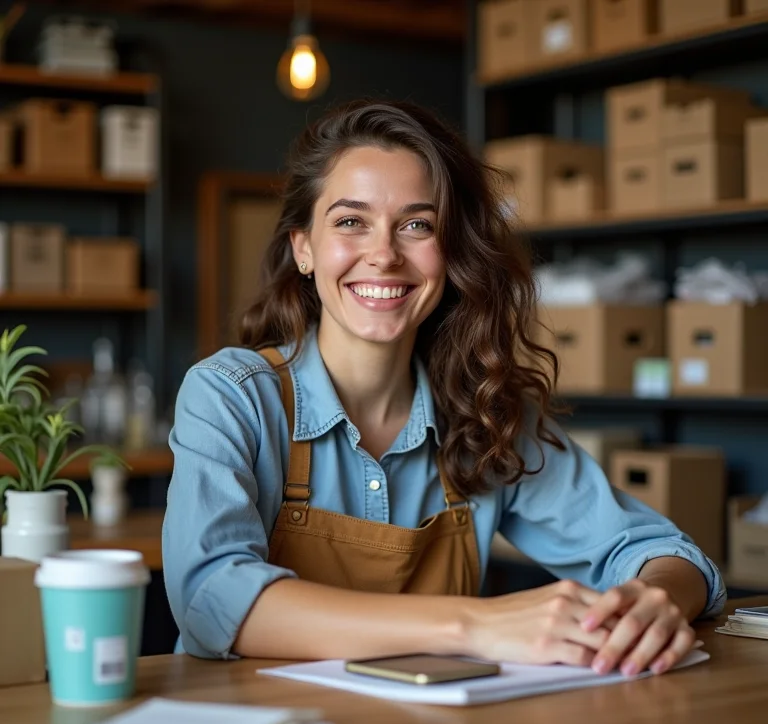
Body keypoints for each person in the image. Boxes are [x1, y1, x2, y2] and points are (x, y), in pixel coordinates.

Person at [163, 99, 725, 678]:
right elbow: (212, 598)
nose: (384, 255)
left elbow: (658, 552)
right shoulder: (231, 397)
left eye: (417, 225)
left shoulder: (485, 412)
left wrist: (652, 602)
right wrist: (474, 625)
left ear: (451, 251)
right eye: (351, 221)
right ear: (303, 248)